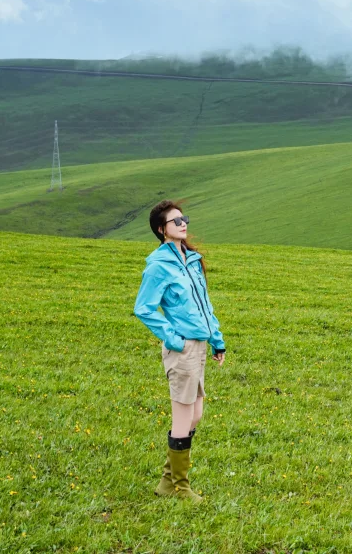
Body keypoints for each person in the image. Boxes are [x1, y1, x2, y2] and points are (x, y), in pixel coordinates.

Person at [134, 199, 226, 502]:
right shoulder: (159, 266)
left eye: (183, 219)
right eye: (175, 221)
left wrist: (216, 339)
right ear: (162, 230)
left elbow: (204, 304)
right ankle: (180, 486)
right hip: (182, 348)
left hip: (199, 346)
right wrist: (173, 339)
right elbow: (144, 309)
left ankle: (167, 481)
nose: (183, 224)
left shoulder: (191, 259)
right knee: (183, 417)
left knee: (195, 413)